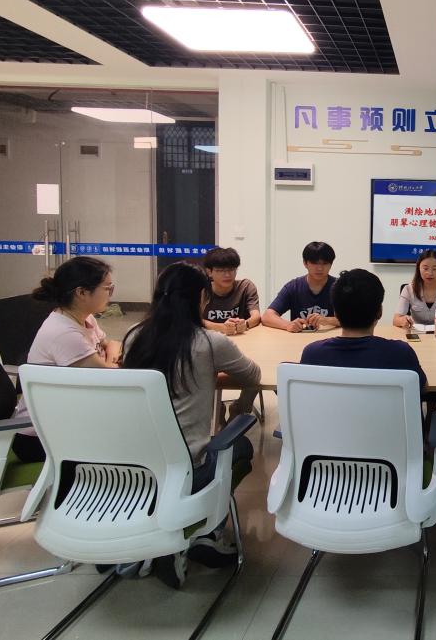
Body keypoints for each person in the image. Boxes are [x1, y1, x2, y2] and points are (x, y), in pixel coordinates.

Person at [122, 262, 260, 588]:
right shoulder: (209, 343)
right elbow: (252, 375)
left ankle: (159, 536)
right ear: (201, 298)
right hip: (188, 471)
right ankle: (206, 533)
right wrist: (211, 374)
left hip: (137, 468)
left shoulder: (134, 337)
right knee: (239, 445)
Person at [301, 268, 436, 413]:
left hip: (329, 429)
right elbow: (423, 388)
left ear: (336, 313)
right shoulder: (400, 353)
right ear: (380, 312)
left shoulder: (312, 354)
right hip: (390, 430)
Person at [18, 256, 122, 462]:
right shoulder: (64, 333)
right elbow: (109, 379)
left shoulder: (84, 318)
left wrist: (109, 359)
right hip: (40, 437)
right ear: (81, 292)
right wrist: (111, 362)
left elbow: (113, 344)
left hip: (66, 416)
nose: (110, 294)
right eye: (107, 288)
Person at [263, 241, 340, 332]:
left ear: (331, 264)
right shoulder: (293, 287)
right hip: (299, 338)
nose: (319, 268)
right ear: (305, 263)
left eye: (325, 263)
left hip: (331, 338)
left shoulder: (340, 286)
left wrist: (328, 320)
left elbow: (353, 319)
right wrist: (288, 325)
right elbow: (267, 316)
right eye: (314, 263)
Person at [201, 246, 260, 335]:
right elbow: (192, 320)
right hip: (209, 338)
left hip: (241, 337)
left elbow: (256, 316)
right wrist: (220, 327)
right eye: (221, 270)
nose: (227, 275)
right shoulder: (201, 290)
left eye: (231, 269)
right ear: (209, 272)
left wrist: (245, 324)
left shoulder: (245, 287)